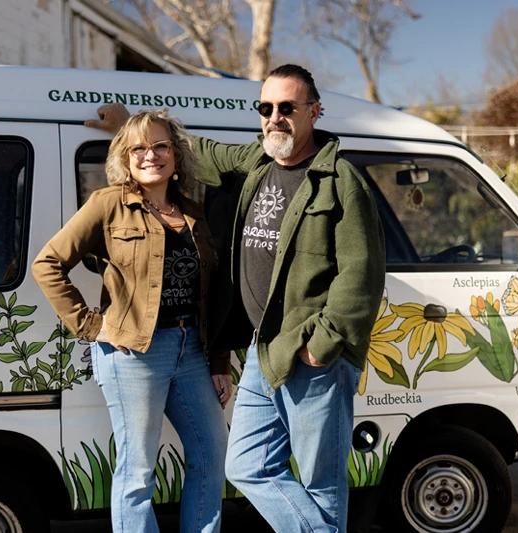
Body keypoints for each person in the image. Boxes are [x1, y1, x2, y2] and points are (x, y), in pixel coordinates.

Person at [87, 64, 386, 533]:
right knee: (244, 465)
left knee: (321, 483)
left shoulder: (340, 179)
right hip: (264, 352)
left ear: (314, 111)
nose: (275, 118)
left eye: (287, 108)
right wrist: (131, 127)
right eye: (265, 108)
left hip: (311, 355)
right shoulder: (258, 163)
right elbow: (195, 152)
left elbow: (362, 275)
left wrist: (322, 345)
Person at [32, 109, 231, 533]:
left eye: (160, 146)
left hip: (192, 350)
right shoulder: (107, 204)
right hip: (134, 353)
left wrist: (218, 362)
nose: (150, 155)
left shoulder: (194, 212)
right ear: (124, 157)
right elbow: (47, 264)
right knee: (138, 469)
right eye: (138, 148)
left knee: (212, 455)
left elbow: (211, 292)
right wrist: (91, 325)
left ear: (175, 154)